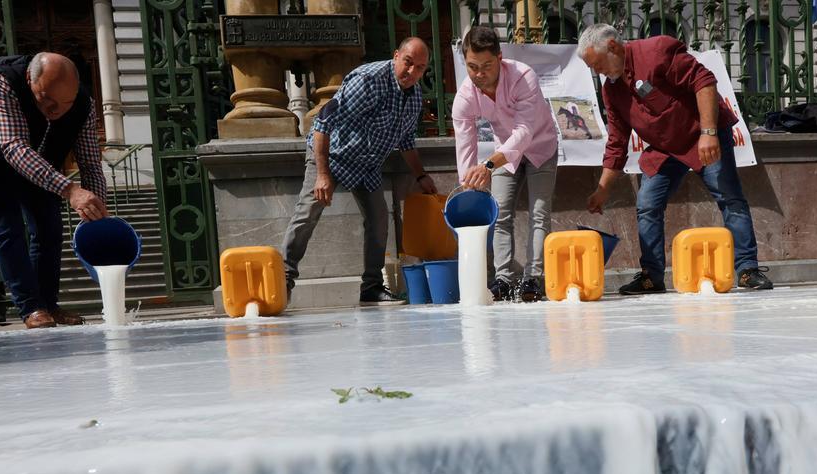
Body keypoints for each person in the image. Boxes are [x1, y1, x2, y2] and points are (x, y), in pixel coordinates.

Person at [579, 25, 773, 294]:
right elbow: (617, 141)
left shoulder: (656, 51)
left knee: (729, 197)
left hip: (701, 133)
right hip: (665, 147)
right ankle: (651, 277)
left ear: (612, 46)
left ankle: (747, 269)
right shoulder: (611, 90)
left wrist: (709, 133)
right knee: (647, 204)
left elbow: (704, 81)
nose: (598, 72)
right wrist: (603, 189)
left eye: (598, 64)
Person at [0, 52, 108, 328]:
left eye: (64, 103)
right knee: (8, 227)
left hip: (41, 156)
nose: (56, 111)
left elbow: (90, 162)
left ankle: (49, 305)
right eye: (47, 100)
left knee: (49, 228)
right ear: (30, 79)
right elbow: (14, 147)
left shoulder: (84, 105)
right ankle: (31, 308)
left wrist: (97, 209)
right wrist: (69, 190)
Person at [282, 37, 439, 306]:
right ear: (396, 55)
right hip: (332, 155)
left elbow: (406, 142)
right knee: (307, 214)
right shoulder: (368, 81)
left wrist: (421, 175)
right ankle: (282, 279)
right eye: (408, 63)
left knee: (379, 220)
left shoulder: (414, 97)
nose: (412, 73)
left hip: (366, 165)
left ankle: (371, 288)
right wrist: (322, 174)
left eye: (420, 68)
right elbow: (323, 123)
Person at [452, 26, 559, 303]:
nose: (479, 73)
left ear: (499, 58)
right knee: (500, 213)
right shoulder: (465, 96)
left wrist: (487, 166)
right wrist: (468, 186)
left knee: (539, 213)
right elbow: (465, 145)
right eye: (472, 67)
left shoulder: (523, 76)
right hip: (504, 156)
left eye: (486, 65)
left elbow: (524, 133)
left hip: (540, 147)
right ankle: (503, 279)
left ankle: (533, 278)